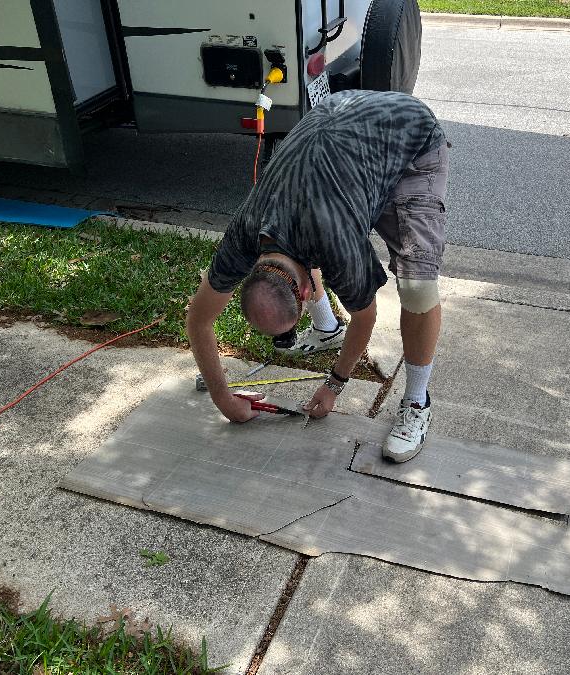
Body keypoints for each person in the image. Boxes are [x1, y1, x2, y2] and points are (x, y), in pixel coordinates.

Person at [186, 89, 448, 462]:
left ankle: (418, 401)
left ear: (306, 291)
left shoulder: (335, 241)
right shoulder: (245, 232)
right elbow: (199, 319)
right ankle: (326, 329)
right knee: (314, 235)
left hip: (410, 139)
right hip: (347, 145)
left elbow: (365, 315)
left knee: (418, 286)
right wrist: (223, 398)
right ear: (250, 269)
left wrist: (335, 385)